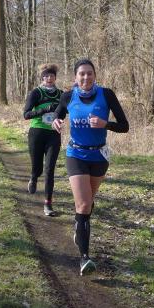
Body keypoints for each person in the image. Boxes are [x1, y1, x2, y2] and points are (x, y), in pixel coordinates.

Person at [52, 58, 129, 275]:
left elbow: (124, 126)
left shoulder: (107, 95)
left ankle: (79, 226)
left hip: (99, 156)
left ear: (95, 75)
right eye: (82, 74)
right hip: (76, 154)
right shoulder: (68, 96)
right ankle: (84, 258)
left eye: (89, 73)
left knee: (88, 204)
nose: (86, 77)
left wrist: (106, 124)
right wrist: (56, 121)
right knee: (84, 204)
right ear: (75, 77)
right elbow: (58, 114)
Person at [23, 63, 62, 216]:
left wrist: (60, 115)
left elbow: (65, 111)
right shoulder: (36, 93)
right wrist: (44, 109)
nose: (49, 78)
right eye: (46, 76)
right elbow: (26, 114)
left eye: (51, 76)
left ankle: (48, 204)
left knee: (49, 170)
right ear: (42, 78)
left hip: (53, 134)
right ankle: (33, 177)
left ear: (55, 77)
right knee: (37, 167)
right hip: (37, 133)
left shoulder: (60, 94)